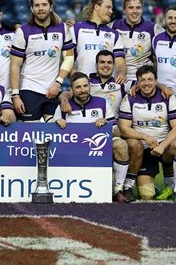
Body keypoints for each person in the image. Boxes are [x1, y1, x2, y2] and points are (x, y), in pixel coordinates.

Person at [53, 71, 129, 199]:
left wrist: (106, 125)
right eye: (78, 87)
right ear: (71, 90)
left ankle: (118, 189)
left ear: (89, 86)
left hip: (97, 149)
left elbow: (117, 132)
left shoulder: (102, 103)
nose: (82, 90)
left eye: (85, 86)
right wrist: (57, 124)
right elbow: (52, 135)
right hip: (72, 152)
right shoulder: (63, 107)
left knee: (120, 144)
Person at [119, 65, 176, 202]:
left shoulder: (167, 97)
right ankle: (147, 184)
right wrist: (145, 137)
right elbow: (124, 128)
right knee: (146, 196)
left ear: (156, 81)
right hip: (143, 148)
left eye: (150, 79)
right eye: (142, 80)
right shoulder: (130, 98)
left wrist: (163, 145)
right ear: (137, 83)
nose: (146, 83)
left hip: (164, 146)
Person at [10, 0, 74, 122]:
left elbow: (69, 58)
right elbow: (15, 66)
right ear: (32, 9)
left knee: (55, 131)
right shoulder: (23, 31)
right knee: (30, 133)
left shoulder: (63, 29)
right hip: (29, 89)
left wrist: (58, 83)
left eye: (44, 4)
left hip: (53, 90)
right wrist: (15, 95)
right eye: (37, 5)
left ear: (50, 7)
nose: (40, 8)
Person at [110, 0, 164, 91]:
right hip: (119, 79)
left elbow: (173, 38)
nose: (135, 11)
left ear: (142, 10)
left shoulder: (153, 28)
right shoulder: (114, 26)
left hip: (143, 81)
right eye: (131, 7)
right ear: (124, 10)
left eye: (138, 8)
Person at [71, 0, 124, 79]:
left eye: (112, 8)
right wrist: (76, 78)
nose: (111, 11)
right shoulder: (76, 29)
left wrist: (121, 73)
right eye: (108, 7)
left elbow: (120, 62)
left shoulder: (114, 35)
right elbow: (67, 59)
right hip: (83, 88)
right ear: (96, 7)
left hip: (106, 89)